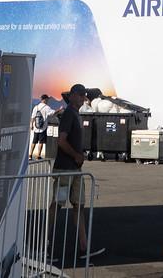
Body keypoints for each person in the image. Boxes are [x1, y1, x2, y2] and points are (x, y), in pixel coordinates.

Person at [54, 84, 104, 262]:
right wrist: (76, 155)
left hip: (75, 170)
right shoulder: (69, 114)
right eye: (81, 95)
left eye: (85, 95)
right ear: (73, 95)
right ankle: (43, 246)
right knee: (57, 205)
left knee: (79, 205)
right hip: (64, 169)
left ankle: (84, 247)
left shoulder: (75, 113)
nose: (84, 98)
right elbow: (61, 141)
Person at [31, 93, 57, 160]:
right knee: (41, 142)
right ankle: (38, 156)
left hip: (36, 128)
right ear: (45, 99)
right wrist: (60, 109)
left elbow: (33, 117)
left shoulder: (36, 107)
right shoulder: (46, 107)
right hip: (43, 128)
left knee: (34, 141)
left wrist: (31, 125)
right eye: (47, 99)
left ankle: (30, 155)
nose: (48, 101)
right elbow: (53, 113)